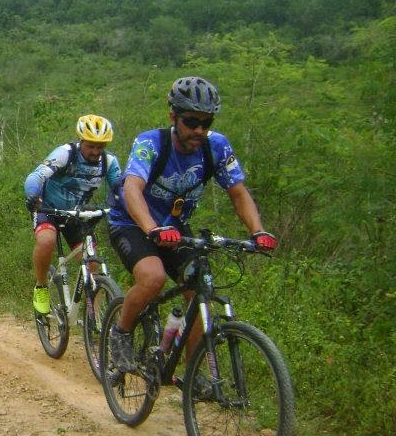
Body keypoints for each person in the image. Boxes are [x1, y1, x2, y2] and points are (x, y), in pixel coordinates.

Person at [106, 76, 278, 372]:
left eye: (206, 123)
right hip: (133, 222)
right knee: (153, 278)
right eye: (191, 122)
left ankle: (191, 375)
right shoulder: (151, 142)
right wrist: (152, 229)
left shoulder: (217, 147)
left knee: (199, 291)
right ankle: (120, 333)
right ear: (173, 117)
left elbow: (238, 193)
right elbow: (132, 187)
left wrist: (258, 231)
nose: (199, 130)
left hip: (174, 228)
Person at [23, 115, 121, 315]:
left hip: (77, 214)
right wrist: (33, 195)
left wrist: (120, 205)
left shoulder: (109, 162)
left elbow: (121, 189)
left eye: (100, 146)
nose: (96, 151)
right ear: (81, 140)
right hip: (49, 209)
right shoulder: (65, 154)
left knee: (93, 264)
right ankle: (41, 287)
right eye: (91, 146)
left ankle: (95, 318)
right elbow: (37, 175)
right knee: (46, 241)